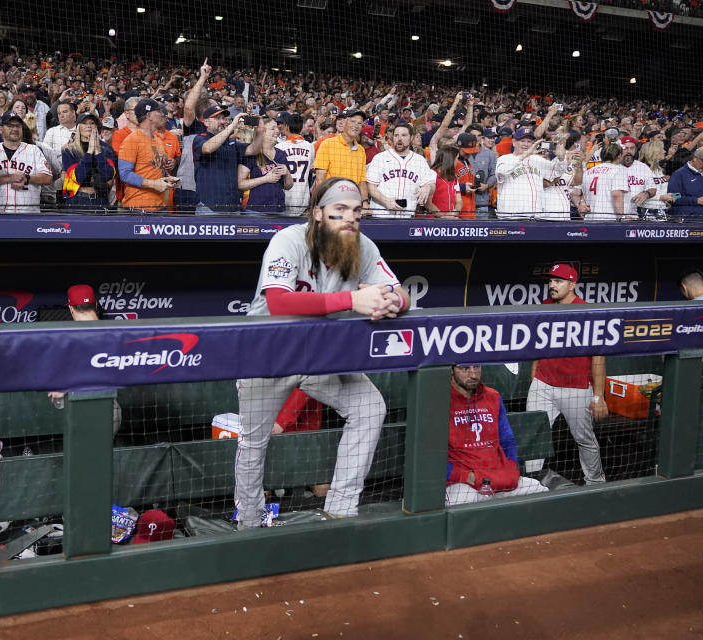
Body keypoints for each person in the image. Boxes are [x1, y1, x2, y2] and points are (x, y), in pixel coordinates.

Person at [234, 177, 409, 528]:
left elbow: (401, 291)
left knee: (369, 407)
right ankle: (249, 521)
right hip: (267, 354)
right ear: (317, 213)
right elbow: (279, 301)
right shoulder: (288, 240)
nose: (349, 219)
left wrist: (393, 301)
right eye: (339, 211)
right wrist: (352, 299)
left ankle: (341, 508)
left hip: (319, 355)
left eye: (356, 211)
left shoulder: (361, 245)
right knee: (254, 443)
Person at [527, 263, 607, 485]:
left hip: (576, 387)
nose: (552, 285)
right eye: (550, 281)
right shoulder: (544, 306)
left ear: (572, 285)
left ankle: (596, 482)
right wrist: (535, 371)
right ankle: (530, 482)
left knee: (584, 439)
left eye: (558, 281)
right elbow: (538, 344)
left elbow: (598, 357)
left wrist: (598, 396)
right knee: (533, 434)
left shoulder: (587, 311)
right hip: (543, 385)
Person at [445, 364, 549, 506]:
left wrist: (511, 467)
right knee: (462, 504)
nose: (473, 375)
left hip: (497, 477)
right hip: (464, 483)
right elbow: (428, 455)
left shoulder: (493, 396)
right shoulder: (440, 402)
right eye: (465, 369)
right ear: (451, 370)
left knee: (539, 491)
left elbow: (507, 439)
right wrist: (465, 476)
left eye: (477, 367)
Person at [46, 285, 122, 437]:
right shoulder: (113, 331)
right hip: (110, 409)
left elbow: (94, 373)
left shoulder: (73, 337)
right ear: (95, 305)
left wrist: (65, 389)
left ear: (71, 309)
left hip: (94, 411)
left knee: (88, 458)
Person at [0, 111, 52, 213]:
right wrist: (8, 178)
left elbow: (47, 178)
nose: (15, 129)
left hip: (28, 213)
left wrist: (27, 178)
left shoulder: (33, 150)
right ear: (1, 129)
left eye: (18, 126)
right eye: (10, 126)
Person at [118, 98, 179, 211]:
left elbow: (154, 168)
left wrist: (167, 178)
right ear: (149, 115)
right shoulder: (132, 140)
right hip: (138, 207)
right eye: (158, 111)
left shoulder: (158, 140)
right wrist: (153, 184)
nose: (162, 114)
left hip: (160, 205)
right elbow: (125, 174)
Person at [365, 122, 435, 218]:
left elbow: (431, 184)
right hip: (381, 215)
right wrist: (386, 200)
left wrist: (428, 188)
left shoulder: (420, 160)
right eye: (396, 135)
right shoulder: (380, 158)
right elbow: (370, 186)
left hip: (407, 217)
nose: (399, 138)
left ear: (411, 138)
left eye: (404, 135)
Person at [495, 127, 563, 219]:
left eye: (529, 141)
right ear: (514, 142)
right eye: (522, 141)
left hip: (535, 216)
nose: (526, 144)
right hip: (511, 216)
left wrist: (561, 159)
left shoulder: (537, 160)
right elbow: (502, 172)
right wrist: (526, 155)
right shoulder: (504, 159)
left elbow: (555, 173)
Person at [311, 108, 369, 208]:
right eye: (353, 121)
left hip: (352, 204)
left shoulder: (361, 150)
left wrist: (365, 203)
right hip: (331, 202)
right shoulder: (327, 144)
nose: (356, 125)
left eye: (359, 123)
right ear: (344, 122)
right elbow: (320, 179)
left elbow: (362, 181)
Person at [60, 112, 116, 211]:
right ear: (78, 127)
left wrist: (98, 151)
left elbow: (108, 174)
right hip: (77, 200)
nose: (88, 126)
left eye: (92, 123)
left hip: (100, 200)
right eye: (84, 123)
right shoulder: (69, 150)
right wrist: (90, 152)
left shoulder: (107, 149)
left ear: (96, 127)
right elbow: (79, 177)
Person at [237, 118, 292, 215]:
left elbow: (288, 186)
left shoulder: (281, 154)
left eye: (277, 128)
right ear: (262, 132)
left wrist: (287, 173)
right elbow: (240, 184)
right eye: (273, 128)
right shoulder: (251, 153)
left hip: (279, 209)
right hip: (255, 210)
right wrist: (265, 179)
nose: (277, 131)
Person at [275, 113, 314, 216]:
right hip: (303, 198)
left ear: (286, 126)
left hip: (285, 196)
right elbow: (311, 169)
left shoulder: (279, 147)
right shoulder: (310, 146)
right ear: (301, 128)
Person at [578, 142, 628, 221]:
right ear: (619, 156)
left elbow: (581, 193)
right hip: (609, 218)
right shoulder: (618, 170)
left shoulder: (588, 172)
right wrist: (621, 217)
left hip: (589, 218)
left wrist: (581, 202)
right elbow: (617, 195)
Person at [620, 136, 657, 220]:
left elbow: (653, 189)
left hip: (634, 216)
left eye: (632, 148)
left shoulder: (642, 167)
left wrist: (646, 193)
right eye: (625, 148)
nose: (629, 151)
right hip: (613, 215)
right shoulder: (613, 166)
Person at [666, 147, 703, 219]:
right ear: (695, 158)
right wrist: (696, 200)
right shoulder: (679, 174)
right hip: (689, 218)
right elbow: (673, 196)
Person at [426, 145, 462, 218]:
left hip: (450, 220)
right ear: (450, 160)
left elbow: (459, 200)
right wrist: (443, 216)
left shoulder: (454, 178)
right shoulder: (432, 174)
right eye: (457, 158)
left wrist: (455, 212)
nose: (457, 161)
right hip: (433, 221)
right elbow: (428, 203)